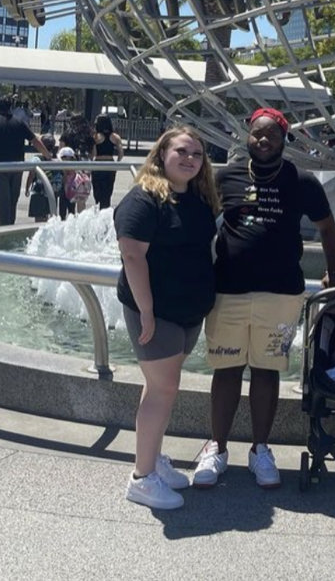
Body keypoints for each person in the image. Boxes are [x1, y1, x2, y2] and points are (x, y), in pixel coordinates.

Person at [192, 107, 335, 490]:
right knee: (225, 370)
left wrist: (334, 272)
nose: (263, 140)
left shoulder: (302, 181)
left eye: (271, 135)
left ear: (283, 139)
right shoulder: (224, 177)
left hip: (281, 292)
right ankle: (218, 448)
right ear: (247, 135)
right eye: (257, 134)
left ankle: (261, 449)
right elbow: (194, 221)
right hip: (227, 289)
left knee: (266, 370)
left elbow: (327, 228)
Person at [114, 126, 221, 509]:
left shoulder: (197, 197)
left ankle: (152, 459)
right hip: (156, 313)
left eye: (197, 153)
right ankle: (141, 479)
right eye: (182, 151)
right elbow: (132, 257)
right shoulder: (143, 200)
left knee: (160, 388)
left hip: (187, 311)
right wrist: (146, 312)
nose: (190, 158)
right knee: (163, 390)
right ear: (162, 155)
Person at [0, 97, 52, 225]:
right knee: (13, 201)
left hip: (2, 167)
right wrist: (48, 156)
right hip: (17, 167)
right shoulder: (19, 122)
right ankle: (10, 226)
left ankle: (4, 231)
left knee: (3, 202)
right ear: (10, 107)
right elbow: (35, 141)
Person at [91, 114, 124, 209]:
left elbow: (94, 153)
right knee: (107, 191)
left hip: (98, 164)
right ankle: (105, 210)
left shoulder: (96, 137)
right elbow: (121, 153)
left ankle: (98, 210)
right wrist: (117, 163)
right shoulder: (115, 137)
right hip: (110, 164)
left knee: (97, 191)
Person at [24, 133, 59, 222]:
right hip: (52, 192)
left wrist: (27, 188)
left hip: (38, 192)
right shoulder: (57, 160)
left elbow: (31, 175)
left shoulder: (37, 159)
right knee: (50, 217)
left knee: (39, 218)